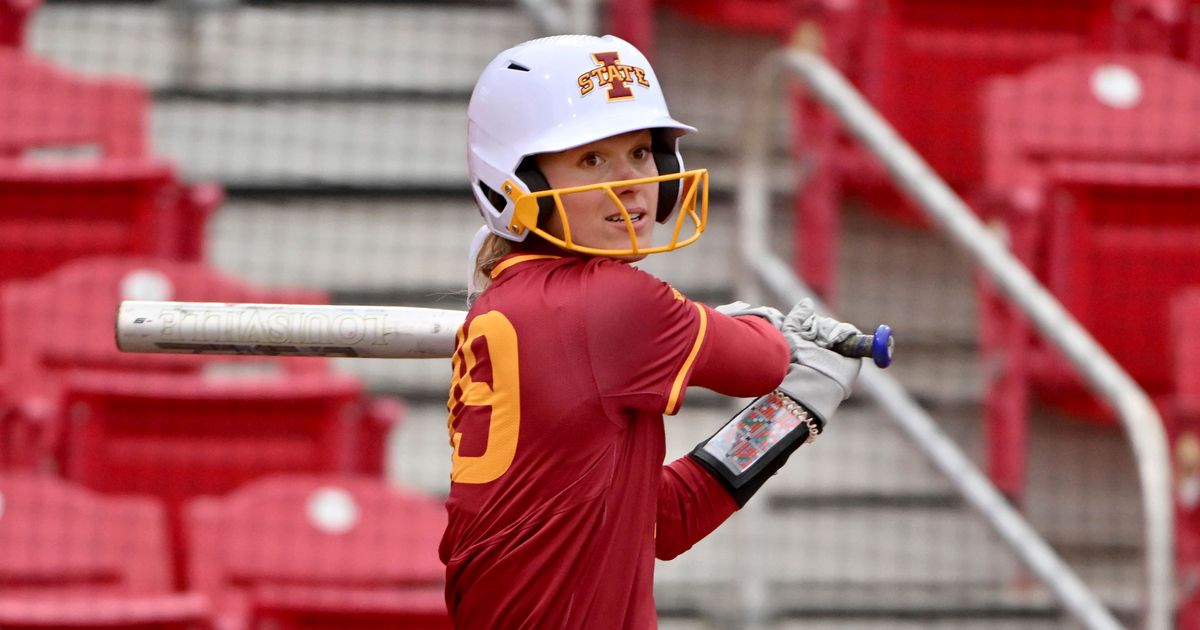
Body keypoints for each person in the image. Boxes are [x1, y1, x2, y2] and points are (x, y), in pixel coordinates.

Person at [441, 34, 862, 628]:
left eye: (641, 153)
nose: (632, 181)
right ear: (519, 182)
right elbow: (762, 362)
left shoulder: (509, 300)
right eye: (591, 159)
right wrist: (771, 335)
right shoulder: (610, 301)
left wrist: (790, 413)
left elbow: (662, 520)